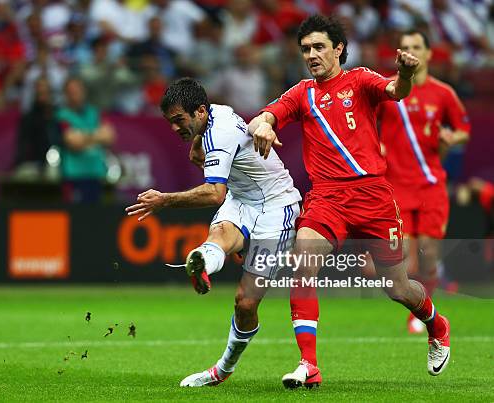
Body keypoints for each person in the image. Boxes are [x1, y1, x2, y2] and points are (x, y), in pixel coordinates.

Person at [246, 14, 451, 387]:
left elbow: (395, 92)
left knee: (397, 287)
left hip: (372, 195)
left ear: (338, 49)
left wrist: (404, 74)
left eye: (319, 47)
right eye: (306, 49)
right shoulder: (301, 92)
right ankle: (309, 364)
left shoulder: (359, 80)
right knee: (303, 264)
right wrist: (262, 123)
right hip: (326, 197)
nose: (311, 55)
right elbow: (267, 115)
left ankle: (437, 324)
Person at [126, 77, 302, 387]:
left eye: (179, 120)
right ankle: (204, 261)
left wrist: (164, 200)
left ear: (200, 111)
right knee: (220, 234)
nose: (174, 128)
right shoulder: (214, 115)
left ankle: (222, 369)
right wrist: (196, 147)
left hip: (277, 209)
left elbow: (214, 194)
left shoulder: (219, 133)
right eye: (170, 122)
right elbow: (199, 156)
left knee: (245, 304)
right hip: (242, 199)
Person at [377, 30, 470, 333]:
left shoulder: (443, 93)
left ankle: (426, 309)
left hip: (430, 183)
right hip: (396, 184)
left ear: (429, 54)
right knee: (404, 256)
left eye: (416, 47)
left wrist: (450, 137)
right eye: (405, 47)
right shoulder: (388, 89)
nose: (411, 51)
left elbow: (463, 129)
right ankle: (418, 310)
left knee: (429, 253)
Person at [57, 77, 115, 203]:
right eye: (71, 91)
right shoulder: (61, 115)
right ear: (66, 94)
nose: (75, 94)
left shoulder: (95, 112)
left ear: (84, 91)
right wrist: (96, 135)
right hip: (74, 175)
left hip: (95, 173)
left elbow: (109, 137)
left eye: (77, 90)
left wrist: (83, 136)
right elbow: (73, 143)